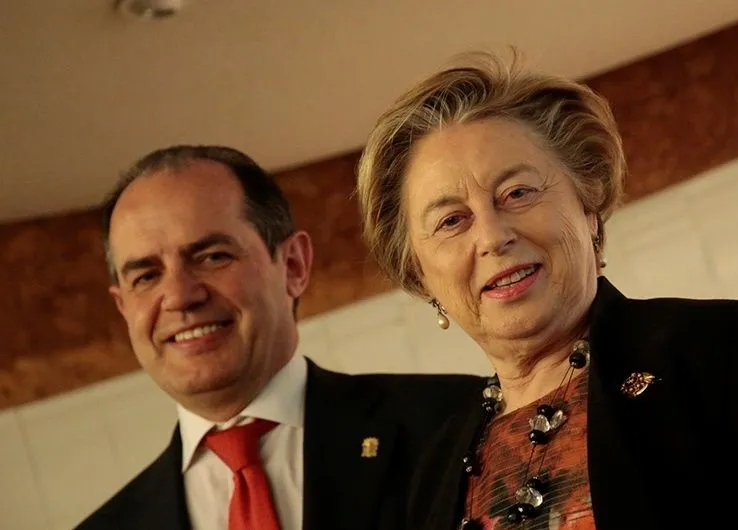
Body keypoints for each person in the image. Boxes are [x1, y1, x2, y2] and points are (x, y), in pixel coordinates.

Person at [354, 52, 738, 529]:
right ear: (421, 274)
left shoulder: (728, 350)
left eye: (517, 192)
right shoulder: (432, 468)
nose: (494, 236)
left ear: (588, 205)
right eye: (451, 221)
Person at [76, 145, 483, 530]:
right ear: (123, 307)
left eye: (212, 256)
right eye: (146, 276)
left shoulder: (459, 423)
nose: (180, 296)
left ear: (293, 265)